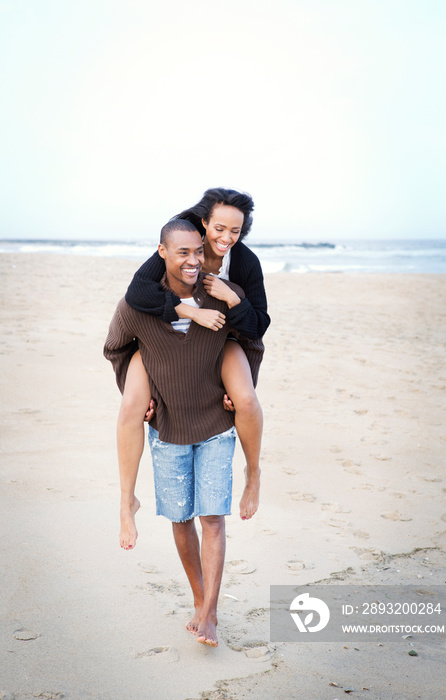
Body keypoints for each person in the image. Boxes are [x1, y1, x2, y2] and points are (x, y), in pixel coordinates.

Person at [104, 219, 262, 647]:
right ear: (162, 253)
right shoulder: (138, 304)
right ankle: (197, 595)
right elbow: (115, 346)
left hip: (214, 426)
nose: (193, 261)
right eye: (182, 253)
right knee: (180, 519)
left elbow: (252, 338)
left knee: (213, 518)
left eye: (198, 251)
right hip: (168, 429)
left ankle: (210, 612)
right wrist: (138, 387)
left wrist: (241, 384)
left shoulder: (224, 295)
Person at [118, 188, 270, 550]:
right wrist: (191, 311)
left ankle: (253, 474)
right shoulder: (183, 241)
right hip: (160, 342)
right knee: (130, 408)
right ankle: (126, 501)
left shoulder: (243, 262)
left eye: (236, 230)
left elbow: (257, 326)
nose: (226, 238)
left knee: (246, 400)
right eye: (219, 228)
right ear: (203, 223)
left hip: (220, 342)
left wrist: (232, 298)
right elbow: (138, 293)